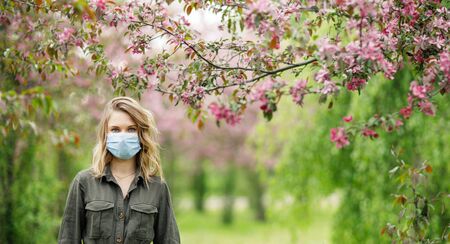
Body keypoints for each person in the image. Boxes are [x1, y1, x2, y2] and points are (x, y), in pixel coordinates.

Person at [57, 96, 181, 244]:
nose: (123, 136)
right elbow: (68, 239)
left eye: (131, 129)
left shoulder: (157, 187)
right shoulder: (83, 182)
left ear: (141, 134)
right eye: (115, 129)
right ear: (106, 134)